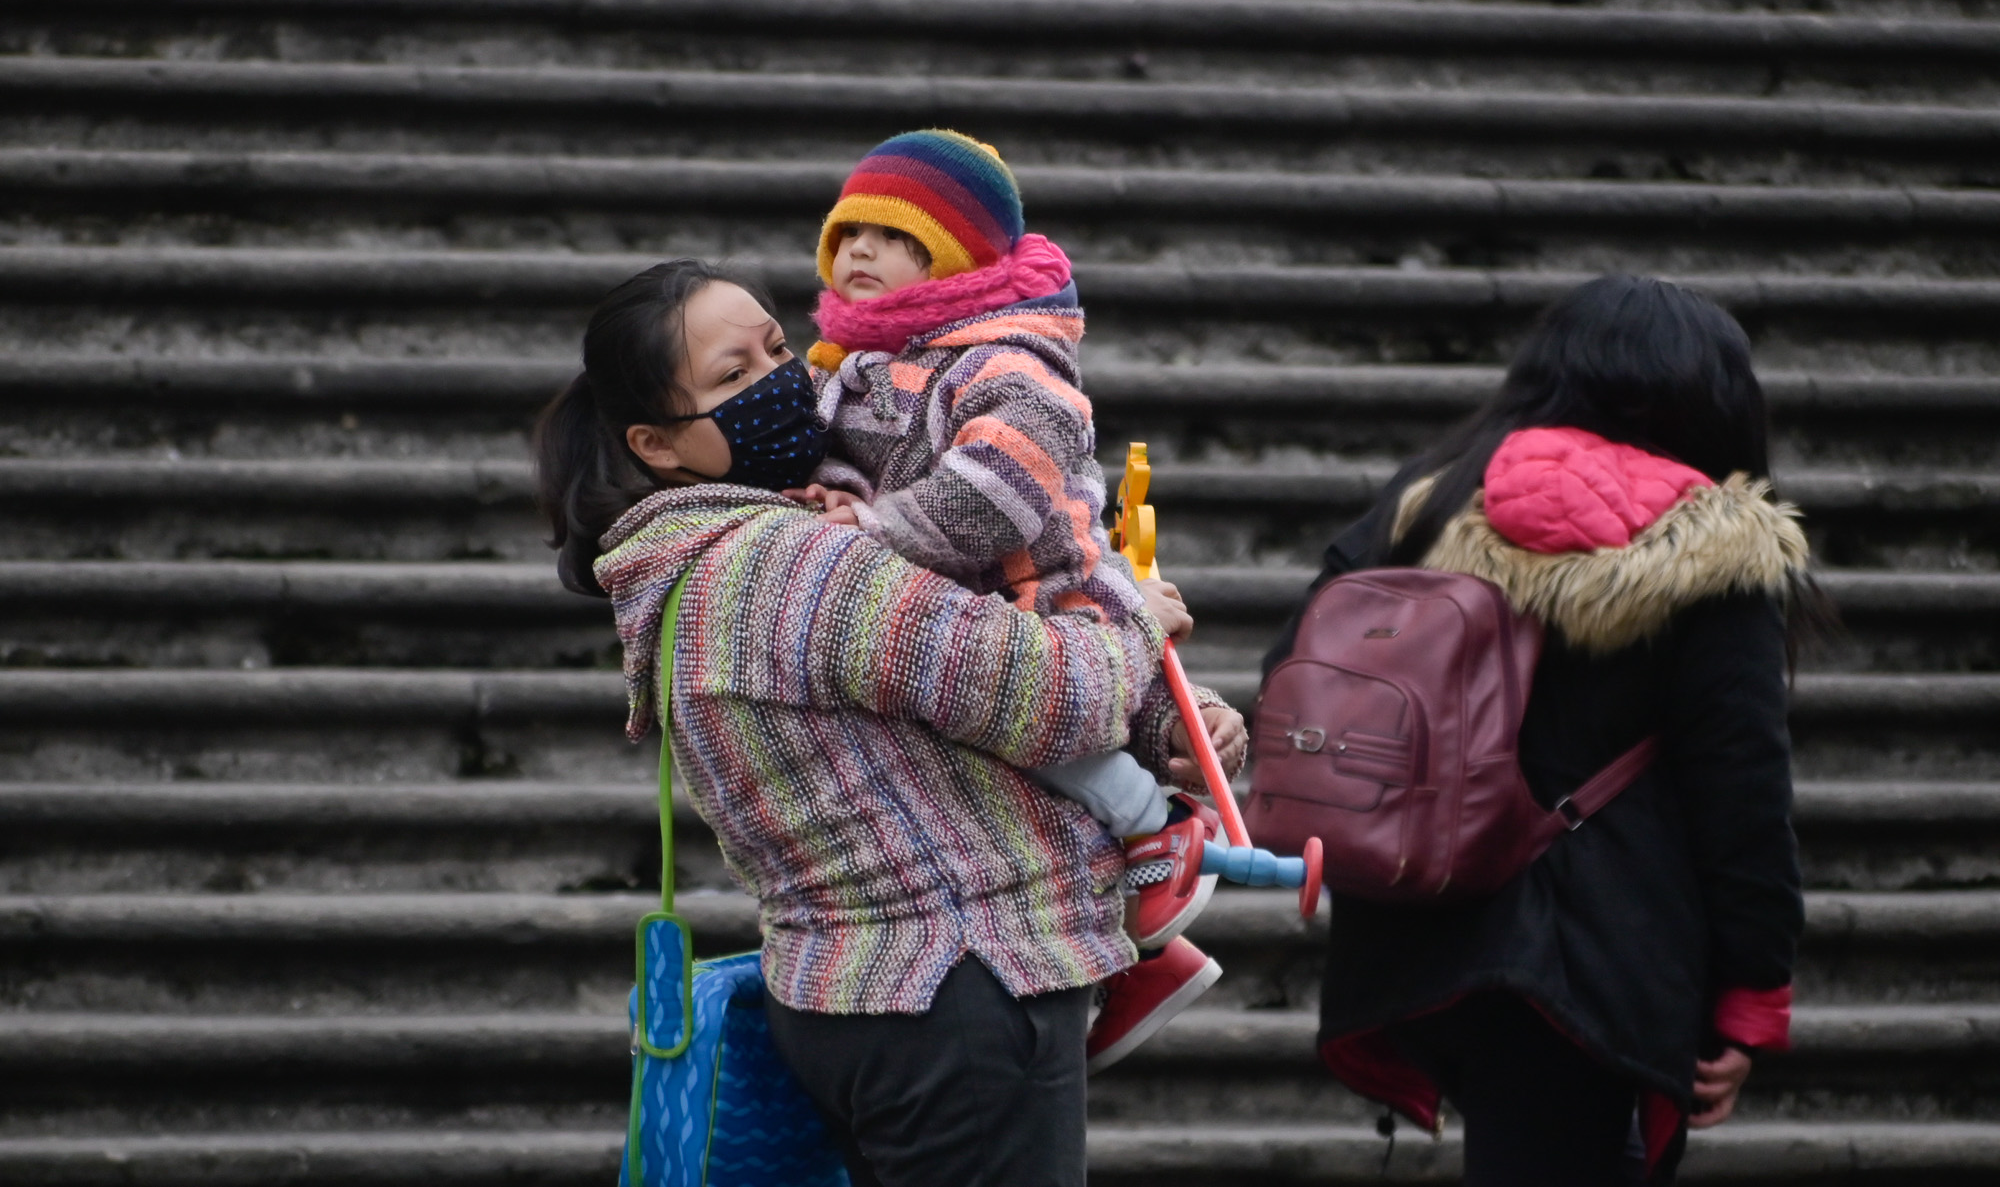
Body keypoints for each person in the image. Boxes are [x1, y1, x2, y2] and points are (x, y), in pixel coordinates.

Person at [533, 259, 1245, 1187]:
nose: (781, 379)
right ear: (656, 444)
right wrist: (1135, 619)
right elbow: (1048, 692)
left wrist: (1157, 731)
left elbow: (959, 711)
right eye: (732, 377)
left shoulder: (689, 571)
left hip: (855, 989)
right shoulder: (786, 566)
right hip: (956, 986)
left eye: (778, 347)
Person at [1264, 275, 1811, 1185]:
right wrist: (1754, 989)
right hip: (1596, 955)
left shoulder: (1429, 503)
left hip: (1420, 932)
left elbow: (1294, 672)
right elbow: (1741, 782)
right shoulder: (1715, 545)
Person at [791, 129, 1234, 1069]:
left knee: (1043, 728)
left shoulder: (1007, 358)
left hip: (1035, 588)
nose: (858, 253)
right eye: (847, 233)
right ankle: (1130, 963)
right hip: (944, 611)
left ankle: (1158, 827)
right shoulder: (842, 363)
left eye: (890, 234)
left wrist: (863, 536)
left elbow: (1000, 488)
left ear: (954, 249)